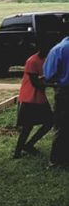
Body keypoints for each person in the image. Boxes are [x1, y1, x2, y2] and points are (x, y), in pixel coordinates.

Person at [14, 43, 53, 159]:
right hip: (29, 98)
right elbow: (36, 84)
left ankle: (29, 145)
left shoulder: (47, 59)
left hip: (40, 98)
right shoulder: (31, 61)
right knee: (27, 127)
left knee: (49, 122)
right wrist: (53, 84)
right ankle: (17, 152)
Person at [43, 35, 69, 167]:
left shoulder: (58, 49)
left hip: (65, 92)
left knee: (62, 125)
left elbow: (49, 74)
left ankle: (56, 160)